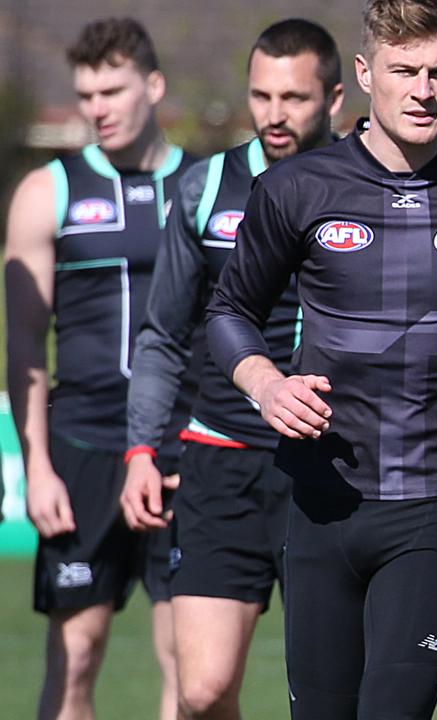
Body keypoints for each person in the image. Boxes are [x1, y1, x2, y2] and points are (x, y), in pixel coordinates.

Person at [204, 1, 437, 717]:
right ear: (366, 73)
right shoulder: (295, 188)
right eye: (405, 71)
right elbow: (230, 313)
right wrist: (266, 385)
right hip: (321, 499)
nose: (423, 90)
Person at [118, 19, 344, 719]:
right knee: (202, 690)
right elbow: (163, 332)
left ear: (335, 98)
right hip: (219, 459)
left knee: (337, 697)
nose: (275, 115)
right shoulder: (203, 187)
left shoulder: (366, 186)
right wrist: (142, 450)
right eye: (261, 96)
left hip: (331, 464)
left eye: (295, 98)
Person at [4, 17, 199, 720]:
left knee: (192, 666)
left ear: (153, 86)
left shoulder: (205, 187)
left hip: (183, 447)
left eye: (112, 90)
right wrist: (37, 466)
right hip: (82, 446)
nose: (98, 108)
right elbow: (23, 344)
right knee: (76, 656)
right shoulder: (45, 192)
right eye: (86, 94)